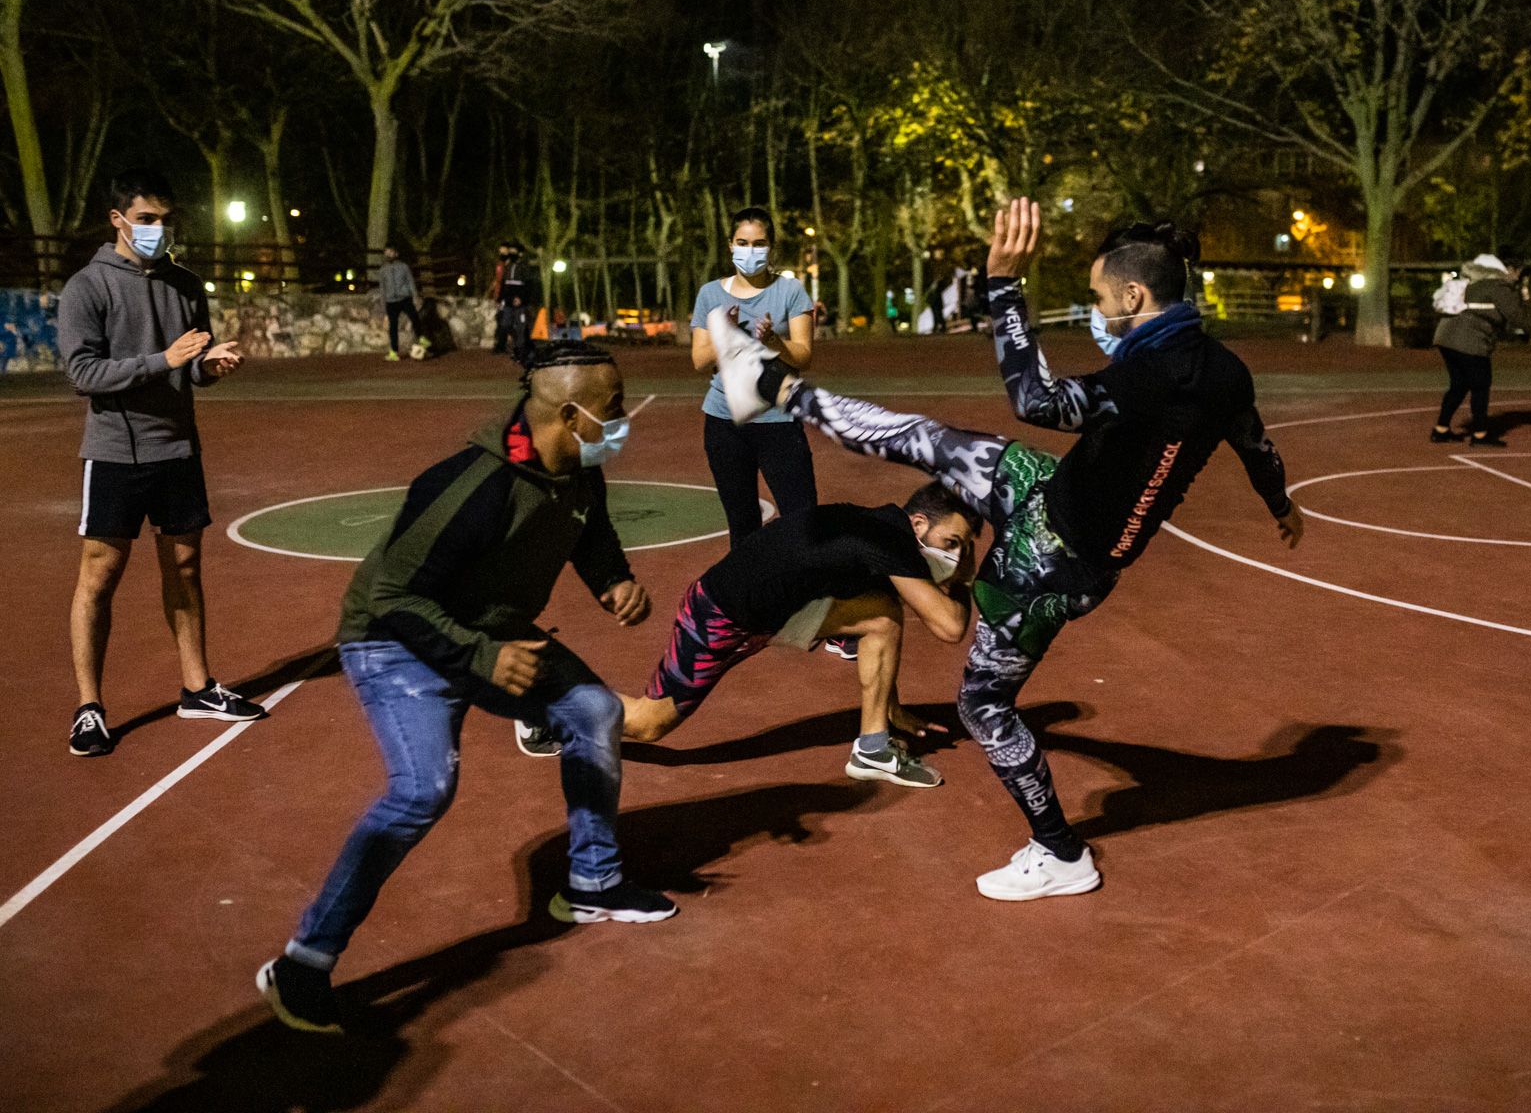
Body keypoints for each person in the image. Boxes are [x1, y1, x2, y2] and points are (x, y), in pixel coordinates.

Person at [708, 202, 1304, 901]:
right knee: (921, 436)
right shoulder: (1225, 368)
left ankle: (1061, 854)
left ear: (1135, 297)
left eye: (1098, 298)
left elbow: (1036, 401)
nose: (1097, 309)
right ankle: (771, 385)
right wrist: (1280, 504)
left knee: (984, 705)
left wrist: (1003, 286)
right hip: (1048, 491)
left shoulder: (1151, 377)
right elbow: (1255, 443)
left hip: (1059, 562)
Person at [258, 340, 671, 1035]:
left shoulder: (577, 469)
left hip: (490, 629)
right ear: (570, 414)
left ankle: (593, 883)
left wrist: (612, 580)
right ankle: (304, 961)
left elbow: (588, 531)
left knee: (595, 710)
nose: (624, 420)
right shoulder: (472, 485)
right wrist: (481, 655)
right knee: (422, 790)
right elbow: (392, 596)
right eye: (614, 409)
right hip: (394, 640)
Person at [57, 168, 260, 758]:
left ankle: (197, 688)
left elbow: (189, 362)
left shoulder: (185, 284)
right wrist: (161, 359)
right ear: (118, 221)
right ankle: (89, 708)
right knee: (99, 579)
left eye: (167, 219)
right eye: (147, 220)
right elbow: (83, 374)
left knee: (187, 567)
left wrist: (207, 365)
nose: (159, 230)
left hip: (177, 447)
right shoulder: (87, 288)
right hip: (116, 451)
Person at [621, 484, 982, 787]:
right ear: (918, 523)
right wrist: (964, 580)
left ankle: (872, 748)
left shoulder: (882, 526)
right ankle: (567, 707)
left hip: (777, 613)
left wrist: (893, 707)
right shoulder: (887, 542)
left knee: (881, 616)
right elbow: (949, 627)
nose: (956, 555)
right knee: (648, 724)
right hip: (719, 614)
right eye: (952, 542)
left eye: (964, 549)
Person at [689, 207, 820, 548]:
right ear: (730, 245)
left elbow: (804, 355)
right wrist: (726, 333)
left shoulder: (790, 291)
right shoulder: (710, 294)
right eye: (743, 242)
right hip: (724, 423)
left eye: (759, 243)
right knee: (743, 526)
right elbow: (700, 360)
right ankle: (748, 597)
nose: (750, 250)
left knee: (802, 518)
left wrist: (775, 342)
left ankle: (802, 592)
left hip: (778, 419)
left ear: (771, 248)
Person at [1429, 253, 1531, 446]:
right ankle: (1480, 435)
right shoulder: (1499, 286)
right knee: (1480, 385)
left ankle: (1441, 429)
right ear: (1508, 269)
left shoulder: (1472, 281)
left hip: (1445, 337)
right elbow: (1517, 317)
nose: (1517, 278)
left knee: (1459, 384)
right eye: (1518, 272)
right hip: (1470, 341)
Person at [377, 245, 426, 362]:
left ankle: (422, 339)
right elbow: (382, 289)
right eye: (386, 252)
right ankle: (394, 352)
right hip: (390, 302)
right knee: (392, 327)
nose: (388, 254)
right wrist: (384, 308)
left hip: (405, 299)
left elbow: (410, 281)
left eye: (391, 252)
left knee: (415, 318)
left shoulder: (404, 267)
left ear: (396, 254)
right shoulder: (383, 270)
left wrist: (415, 296)